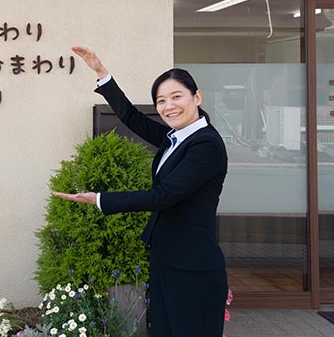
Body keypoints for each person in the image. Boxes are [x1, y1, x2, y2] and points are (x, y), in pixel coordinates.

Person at [53, 46, 228, 337]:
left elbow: (164, 196)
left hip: (192, 268)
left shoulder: (205, 145)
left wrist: (99, 199)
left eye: (176, 97)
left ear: (197, 97)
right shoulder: (176, 137)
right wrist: (102, 73)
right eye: (160, 101)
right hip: (166, 258)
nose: (168, 106)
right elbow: (133, 118)